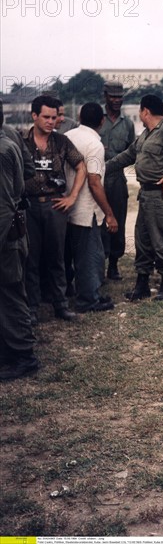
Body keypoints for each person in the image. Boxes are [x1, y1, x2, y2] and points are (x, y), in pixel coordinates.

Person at [106, 94, 163, 301]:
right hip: (147, 195)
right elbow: (128, 155)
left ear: (145, 111)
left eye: (140, 111)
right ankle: (142, 284)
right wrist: (102, 168)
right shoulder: (146, 134)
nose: (140, 114)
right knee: (143, 240)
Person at [23, 95, 86, 324]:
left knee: (57, 257)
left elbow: (81, 166)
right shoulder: (21, 141)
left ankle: (60, 304)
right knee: (30, 258)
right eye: (46, 117)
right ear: (34, 116)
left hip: (54, 206)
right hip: (28, 206)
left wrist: (72, 197)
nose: (51, 121)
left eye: (55, 117)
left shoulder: (61, 142)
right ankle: (31, 307)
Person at [64, 103, 118, 313]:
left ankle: (73, 293)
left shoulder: (67, 135)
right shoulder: (94, 145)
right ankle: (88, 300)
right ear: (102, 121)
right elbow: (94, 182)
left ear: (79, 116)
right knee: (88, 257)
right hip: (85, 210)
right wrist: (110, 214)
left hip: (66, 206)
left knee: (68, 255)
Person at [0, 101, 38, 381]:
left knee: (11, 295)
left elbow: (3, 203)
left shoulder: (2, 149)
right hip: (10, 232)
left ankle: (23, 355)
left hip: (6, 236)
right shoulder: (8, 139)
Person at [99, 81, 136, 281]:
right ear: (105, 96)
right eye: (112, 96)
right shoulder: (97, 119)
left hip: (116, 179)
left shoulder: (128, 124)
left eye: (119, 97)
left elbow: (133, 152)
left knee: (118, 222)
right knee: (97, 221)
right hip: (95, 177)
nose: (116, 100)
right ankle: (98, 264)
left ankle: (113, 265)